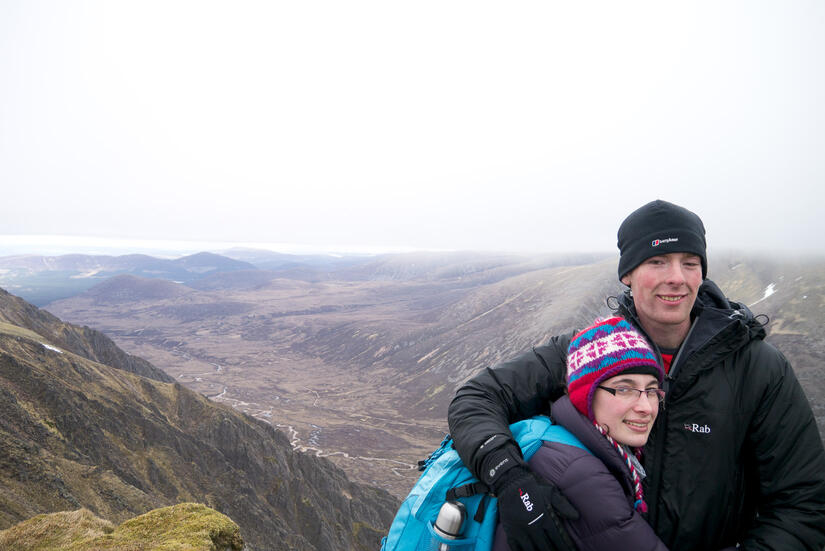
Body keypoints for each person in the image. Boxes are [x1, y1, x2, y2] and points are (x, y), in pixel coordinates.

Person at [448, 199, 825, 551]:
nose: (676, 277)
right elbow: (477, 398)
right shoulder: (587, 351)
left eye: (690, 262)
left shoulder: (758, 368)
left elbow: (804, 505)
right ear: (628, 273)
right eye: (658, 260)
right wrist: (511, 478)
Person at [492, 316, 668, 551]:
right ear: (586, 395)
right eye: (624, 389)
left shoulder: (565, 439)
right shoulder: (581, 473)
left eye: (651, 390)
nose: (646, 407)